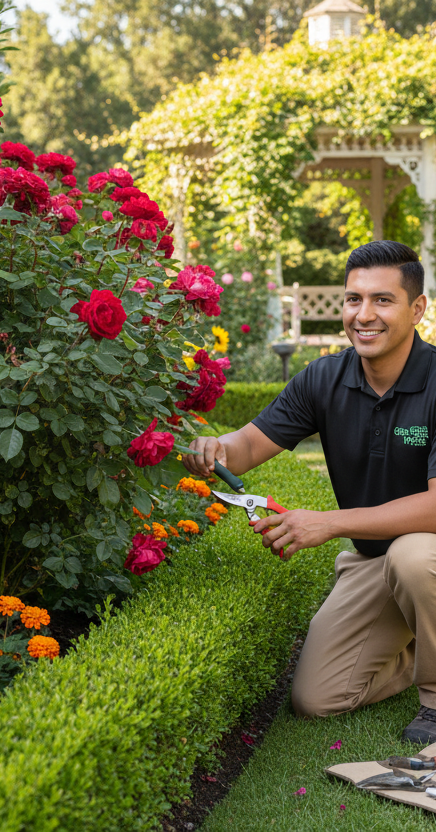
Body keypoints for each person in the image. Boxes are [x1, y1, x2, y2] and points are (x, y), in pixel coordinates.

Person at [182, 240, 436, 742]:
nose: (364, 315)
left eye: (382, 300)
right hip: (374, 563)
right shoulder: (325, 378)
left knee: (412, 556)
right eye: (353, 299)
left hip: (424, 556)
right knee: (317, 698)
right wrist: (217, 447)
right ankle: (419, 648)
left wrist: (329, 522)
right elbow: (248, 445)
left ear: (417, 308)